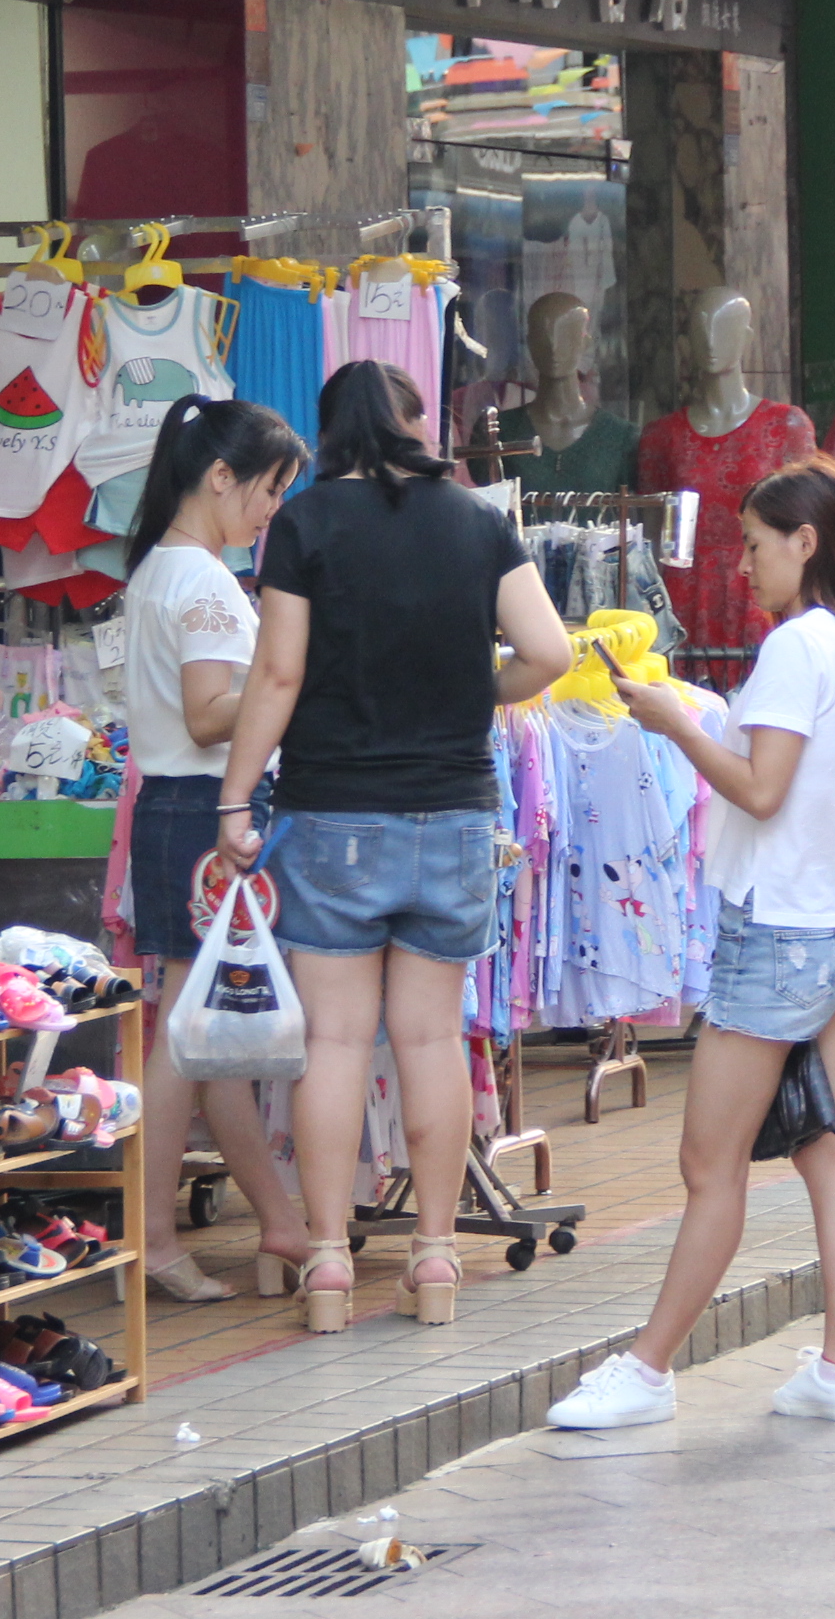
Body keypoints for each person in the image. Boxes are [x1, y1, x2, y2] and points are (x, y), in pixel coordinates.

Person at [217, 360, 573, 1332]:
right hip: (454, 815)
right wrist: (474, 696)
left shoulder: (303, 526)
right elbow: (551, 655)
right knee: (430, 1039)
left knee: (333, 1042)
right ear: (416, 422)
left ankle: (330, 1262)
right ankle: (434, 1255)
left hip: (332, 817)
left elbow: (280, 672)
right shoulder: (476, 521)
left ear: (327, 432)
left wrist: (235, 799)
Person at [545, 460, 835, 1431]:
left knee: (711, 1166)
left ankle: (648, 1370)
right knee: (826, 1150)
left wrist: (668, 722)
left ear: (804, 542)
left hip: (775, 931)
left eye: (752, 543)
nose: (740, 564)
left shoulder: (796, 647)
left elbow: (758, 788)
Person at [118, 395, 315, 1305]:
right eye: (269, 489)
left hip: (175, 807)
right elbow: (207, 717)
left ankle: (275, 1220)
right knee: (189, 1038)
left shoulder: (161, 567)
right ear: (222, 477)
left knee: (204, 1032)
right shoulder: (200, 581)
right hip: (208, 810)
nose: (272, 510)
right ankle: (155, 1239)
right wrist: (292, 675)